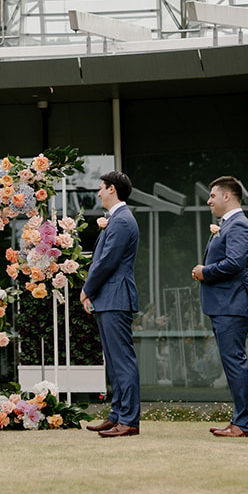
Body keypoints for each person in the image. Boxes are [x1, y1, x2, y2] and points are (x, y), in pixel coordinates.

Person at [194, 175, 248, 438]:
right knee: (232, 362)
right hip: (225, 304)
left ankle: (244, 424)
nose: (208, 200)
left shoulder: (239, 226)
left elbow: (234, 263)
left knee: (235, 362)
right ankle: (240, 421)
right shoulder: (228, 225)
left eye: (212, 195)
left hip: (233, 304)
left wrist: (204, 271)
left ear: (227, 196)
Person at [81, 171, 141, 438]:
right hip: (109, 297)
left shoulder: (121, 221)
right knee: (115, 362)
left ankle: (128, 419)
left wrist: (86, 289)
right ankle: (117, 415)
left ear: (113, 190)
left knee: (122, 361)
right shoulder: (117, 219)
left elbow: (106, 262)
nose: (98, 193)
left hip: (116, 296)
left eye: (101, 188)